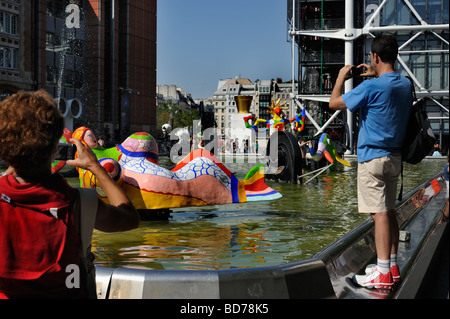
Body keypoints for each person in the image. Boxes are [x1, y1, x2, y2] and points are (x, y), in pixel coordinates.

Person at [0, 90, 140, 299]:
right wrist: (95, 166)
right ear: (56, 145)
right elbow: (129, 218)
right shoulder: (79, 203)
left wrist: (13, 163)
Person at [329, 35, 413, 289]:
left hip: (373, 159)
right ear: (394, 55)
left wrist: (342, 77)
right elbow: (387, 85)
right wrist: (375, 72)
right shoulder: (405, 84)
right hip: (395, 157)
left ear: (375, 57)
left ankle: (383, 272)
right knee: (389, 211)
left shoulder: (370, 88)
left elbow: (334, 103)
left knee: (379, 216)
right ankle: (393, 265)